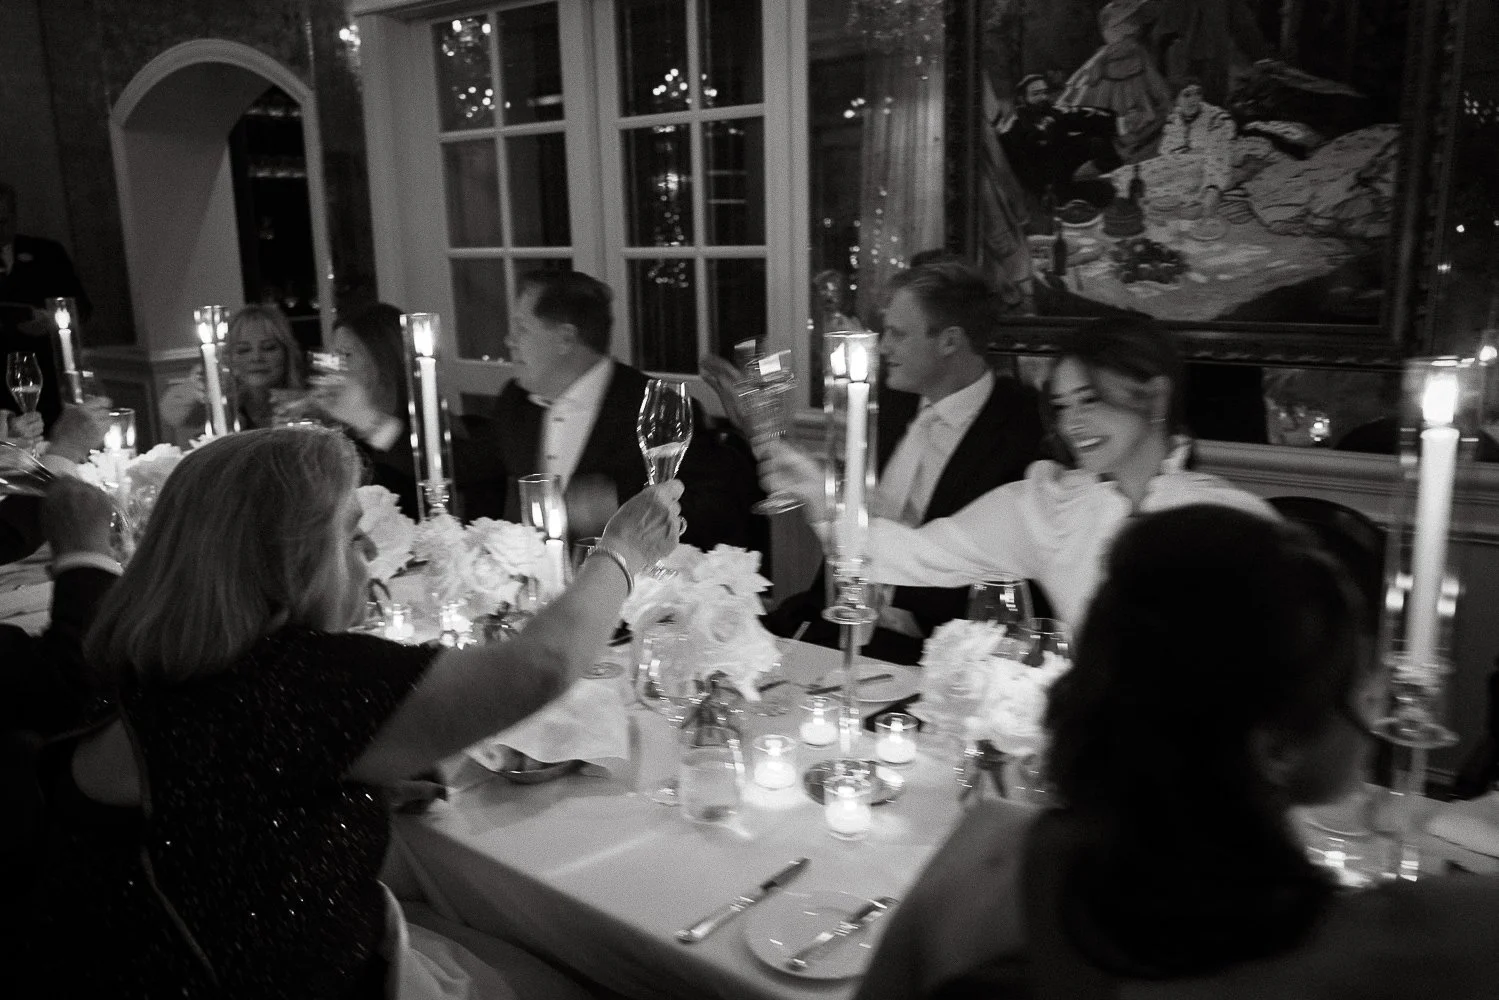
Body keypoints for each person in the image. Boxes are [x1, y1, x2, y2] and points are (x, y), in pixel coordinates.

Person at [22, 427, 680, 997]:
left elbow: (211, 796)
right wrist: (621, 552)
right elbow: (541, 665)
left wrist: (322, 790)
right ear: (290, 558)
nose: (368, 555)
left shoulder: (144, 674)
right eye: (350, 533)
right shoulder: (294, 684)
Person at [854, 505, 1499, 999]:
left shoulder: (985, 853)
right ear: (1273, 746)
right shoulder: (1405, 948)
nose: (1376, 699)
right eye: (1356, 678)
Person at [762, 315, 1275, 629]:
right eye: (1063, 405)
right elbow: (914, 555)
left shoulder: (1232, 522)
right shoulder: (1050, 506)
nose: (1074, 424)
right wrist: (818, 494)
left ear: (1157, 397)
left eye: (1090, 400)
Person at [711, 260, 1045, 664]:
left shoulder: (1023, 432)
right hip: (834, 619)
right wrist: (776, 443)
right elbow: (859, 499)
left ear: (950, 342)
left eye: (897, 334)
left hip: (934, 651)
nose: (883, 347)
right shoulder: (888, 402)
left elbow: (998, 576)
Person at [462, 269, 758, 548]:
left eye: (522, 329)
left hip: (628, 592)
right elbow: (472, 471)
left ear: (565, 338)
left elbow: (718, 514)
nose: (509, 341)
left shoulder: (659, 407)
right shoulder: (516, 401)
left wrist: (620, 504)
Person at [303, 302, 421, 517]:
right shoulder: (346, 436)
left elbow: (419, 474)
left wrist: (364, 419)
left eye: (345, 355)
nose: (334, 366)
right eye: (333, 355)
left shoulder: (427, 425)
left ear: (384, 359)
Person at [0, 181, 92, 427]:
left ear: (15, 216)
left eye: (2, 221)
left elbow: (81, 309)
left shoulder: (46, 253)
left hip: (49, 383)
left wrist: (51, 320)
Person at [158, 303, 307, 440]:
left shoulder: (310, 397)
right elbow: (173, 414)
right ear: (228, 356)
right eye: (243, 350)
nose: (256, 358)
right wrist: (196, 389)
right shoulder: (222, 400)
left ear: (287, 353)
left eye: (269, 348)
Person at [1054, 0, 1175, 163]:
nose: (1134, 27)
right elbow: (1084, 83)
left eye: (1133, 22)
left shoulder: (1138, 52)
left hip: (1139, 109)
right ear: (1114, 28)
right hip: (1109, 111)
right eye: (1128, 22)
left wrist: (1163, 102)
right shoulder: (1102, 59)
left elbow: (1156, 86)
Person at [1107, 77, 1236, 218]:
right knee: (1133, 174)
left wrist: (1213, 187)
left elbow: (1219, 153)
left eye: (1198, 93)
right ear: (1177, 99)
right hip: (1175, 163)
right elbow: (1167, 149)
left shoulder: (1215, 118)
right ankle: (1110, 187)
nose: (1194, 99)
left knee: (1158, 194)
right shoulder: (1176, 117)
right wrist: (1183, 153)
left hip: (1204, 170)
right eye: (1187, 95)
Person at [998, 74, 1123, 214]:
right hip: (1048, 183)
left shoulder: (1051, 113)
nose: (1043, 97)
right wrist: (1045, 193)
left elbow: (1077, 114)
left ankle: (1108, 173)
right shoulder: (1013, 131)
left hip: (1063, 164)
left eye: (1045, 92)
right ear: (1022, 99)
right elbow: (1024, 174)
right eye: (1036, 94)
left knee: (1096, 141)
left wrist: (1116, 119)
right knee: (1104, 194)